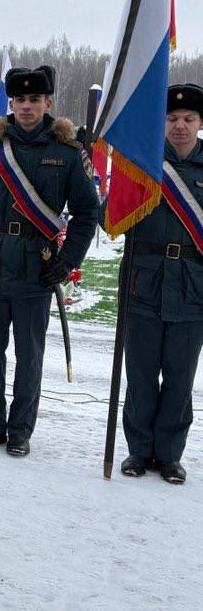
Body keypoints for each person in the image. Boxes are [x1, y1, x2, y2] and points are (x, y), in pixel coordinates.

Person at [0, 65, 98, 457]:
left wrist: (67, 261)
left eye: (35, 100)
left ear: (48, 103)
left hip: (38, 265)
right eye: (20, 100)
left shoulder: (67, 153)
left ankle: (20, 430)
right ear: (10, 103)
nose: (27, 107)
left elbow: (87, 212)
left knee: (29, 355)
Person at [116, 83, 203, 484]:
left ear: (200, 123)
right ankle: (138, 451)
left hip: (192, 287)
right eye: (171, 119)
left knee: (180, 377)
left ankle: (169, 455)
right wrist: (118, 186)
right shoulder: (142, 165)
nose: (179, 126)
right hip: (144, 284)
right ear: (160, 123)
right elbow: (110, 216)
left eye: (188, 119)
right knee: (141, 372)